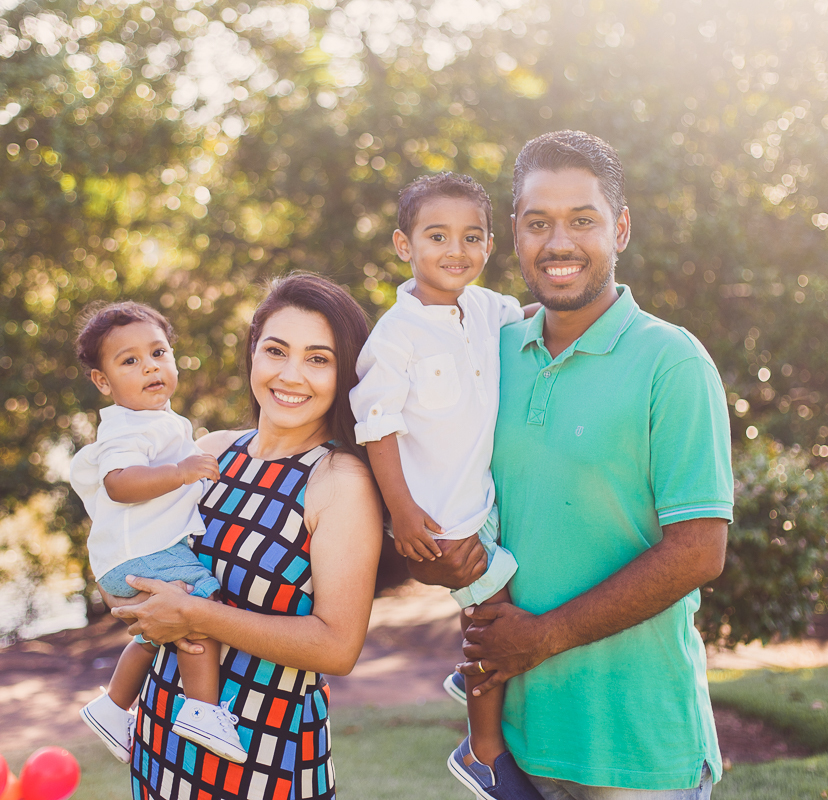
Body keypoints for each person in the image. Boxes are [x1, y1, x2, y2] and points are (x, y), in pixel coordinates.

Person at [410, 130, 734, 800]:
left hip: (642, 753)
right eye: (538, 223)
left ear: (619, 228)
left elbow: (700, 551)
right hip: (522, 748)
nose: (559, 243)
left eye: (582, 221)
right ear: (515, 236)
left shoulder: (671, 362)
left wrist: (544, 636)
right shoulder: (489, 356)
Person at [107, 274, 383, 800]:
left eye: (318, 359)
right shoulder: (212, 450)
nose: (291, 375)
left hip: (264, 761)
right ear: (253, 352)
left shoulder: (339, 482)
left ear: (345, 372)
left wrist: (195, 615)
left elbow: (338, 647)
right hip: (161, 744)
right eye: (276, 350)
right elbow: (134, 557)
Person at [349, 172, 542, 800]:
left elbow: (528, 321)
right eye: (437, 236)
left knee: (507, 601)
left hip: (486, 498)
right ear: (404, 245)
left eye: (472, 236)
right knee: (496, 613)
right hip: (440, 517)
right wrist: (402, 516)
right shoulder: (396, 335)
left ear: (490, 245)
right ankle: (482, 751)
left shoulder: (490, 308)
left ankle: (471, 678)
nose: (455, 250)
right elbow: (376, 428)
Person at [69, 301, 244, 764]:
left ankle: (111, 707)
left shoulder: (158, 421)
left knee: (152, 633)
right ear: (103, 382)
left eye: (158, 353)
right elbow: (120, 484)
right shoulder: (126, 428)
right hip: (143, 552)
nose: (149, 366)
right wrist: (182, 472)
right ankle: (202, 710)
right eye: (130, 361)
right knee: (197, 605)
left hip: (134, 555)